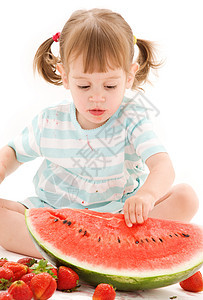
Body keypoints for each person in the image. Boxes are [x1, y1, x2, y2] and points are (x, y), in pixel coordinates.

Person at [0, 8, 199, 257]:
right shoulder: (50, 121)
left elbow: (162, 165)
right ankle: (77, 251)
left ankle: (85, 251)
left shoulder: (132, 118)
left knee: (186, 197)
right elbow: (13, 153)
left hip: (117, 215)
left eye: (110, 85)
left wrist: (147, 195)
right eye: (84, 85)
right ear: (64, 75)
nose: (97, 97)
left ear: (129, 76)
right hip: (52, 213)